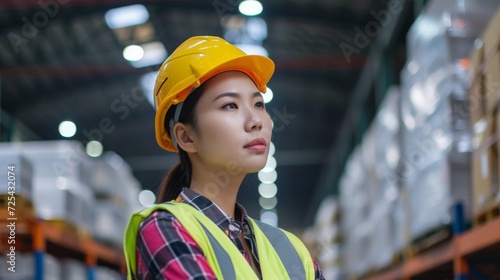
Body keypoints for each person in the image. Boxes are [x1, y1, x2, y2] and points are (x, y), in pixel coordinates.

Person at [123, 36, 325, 280]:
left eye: (259, 104)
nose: (255, 121)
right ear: (186, 137)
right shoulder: (165, 229)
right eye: (230, 105)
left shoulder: (292, 250)